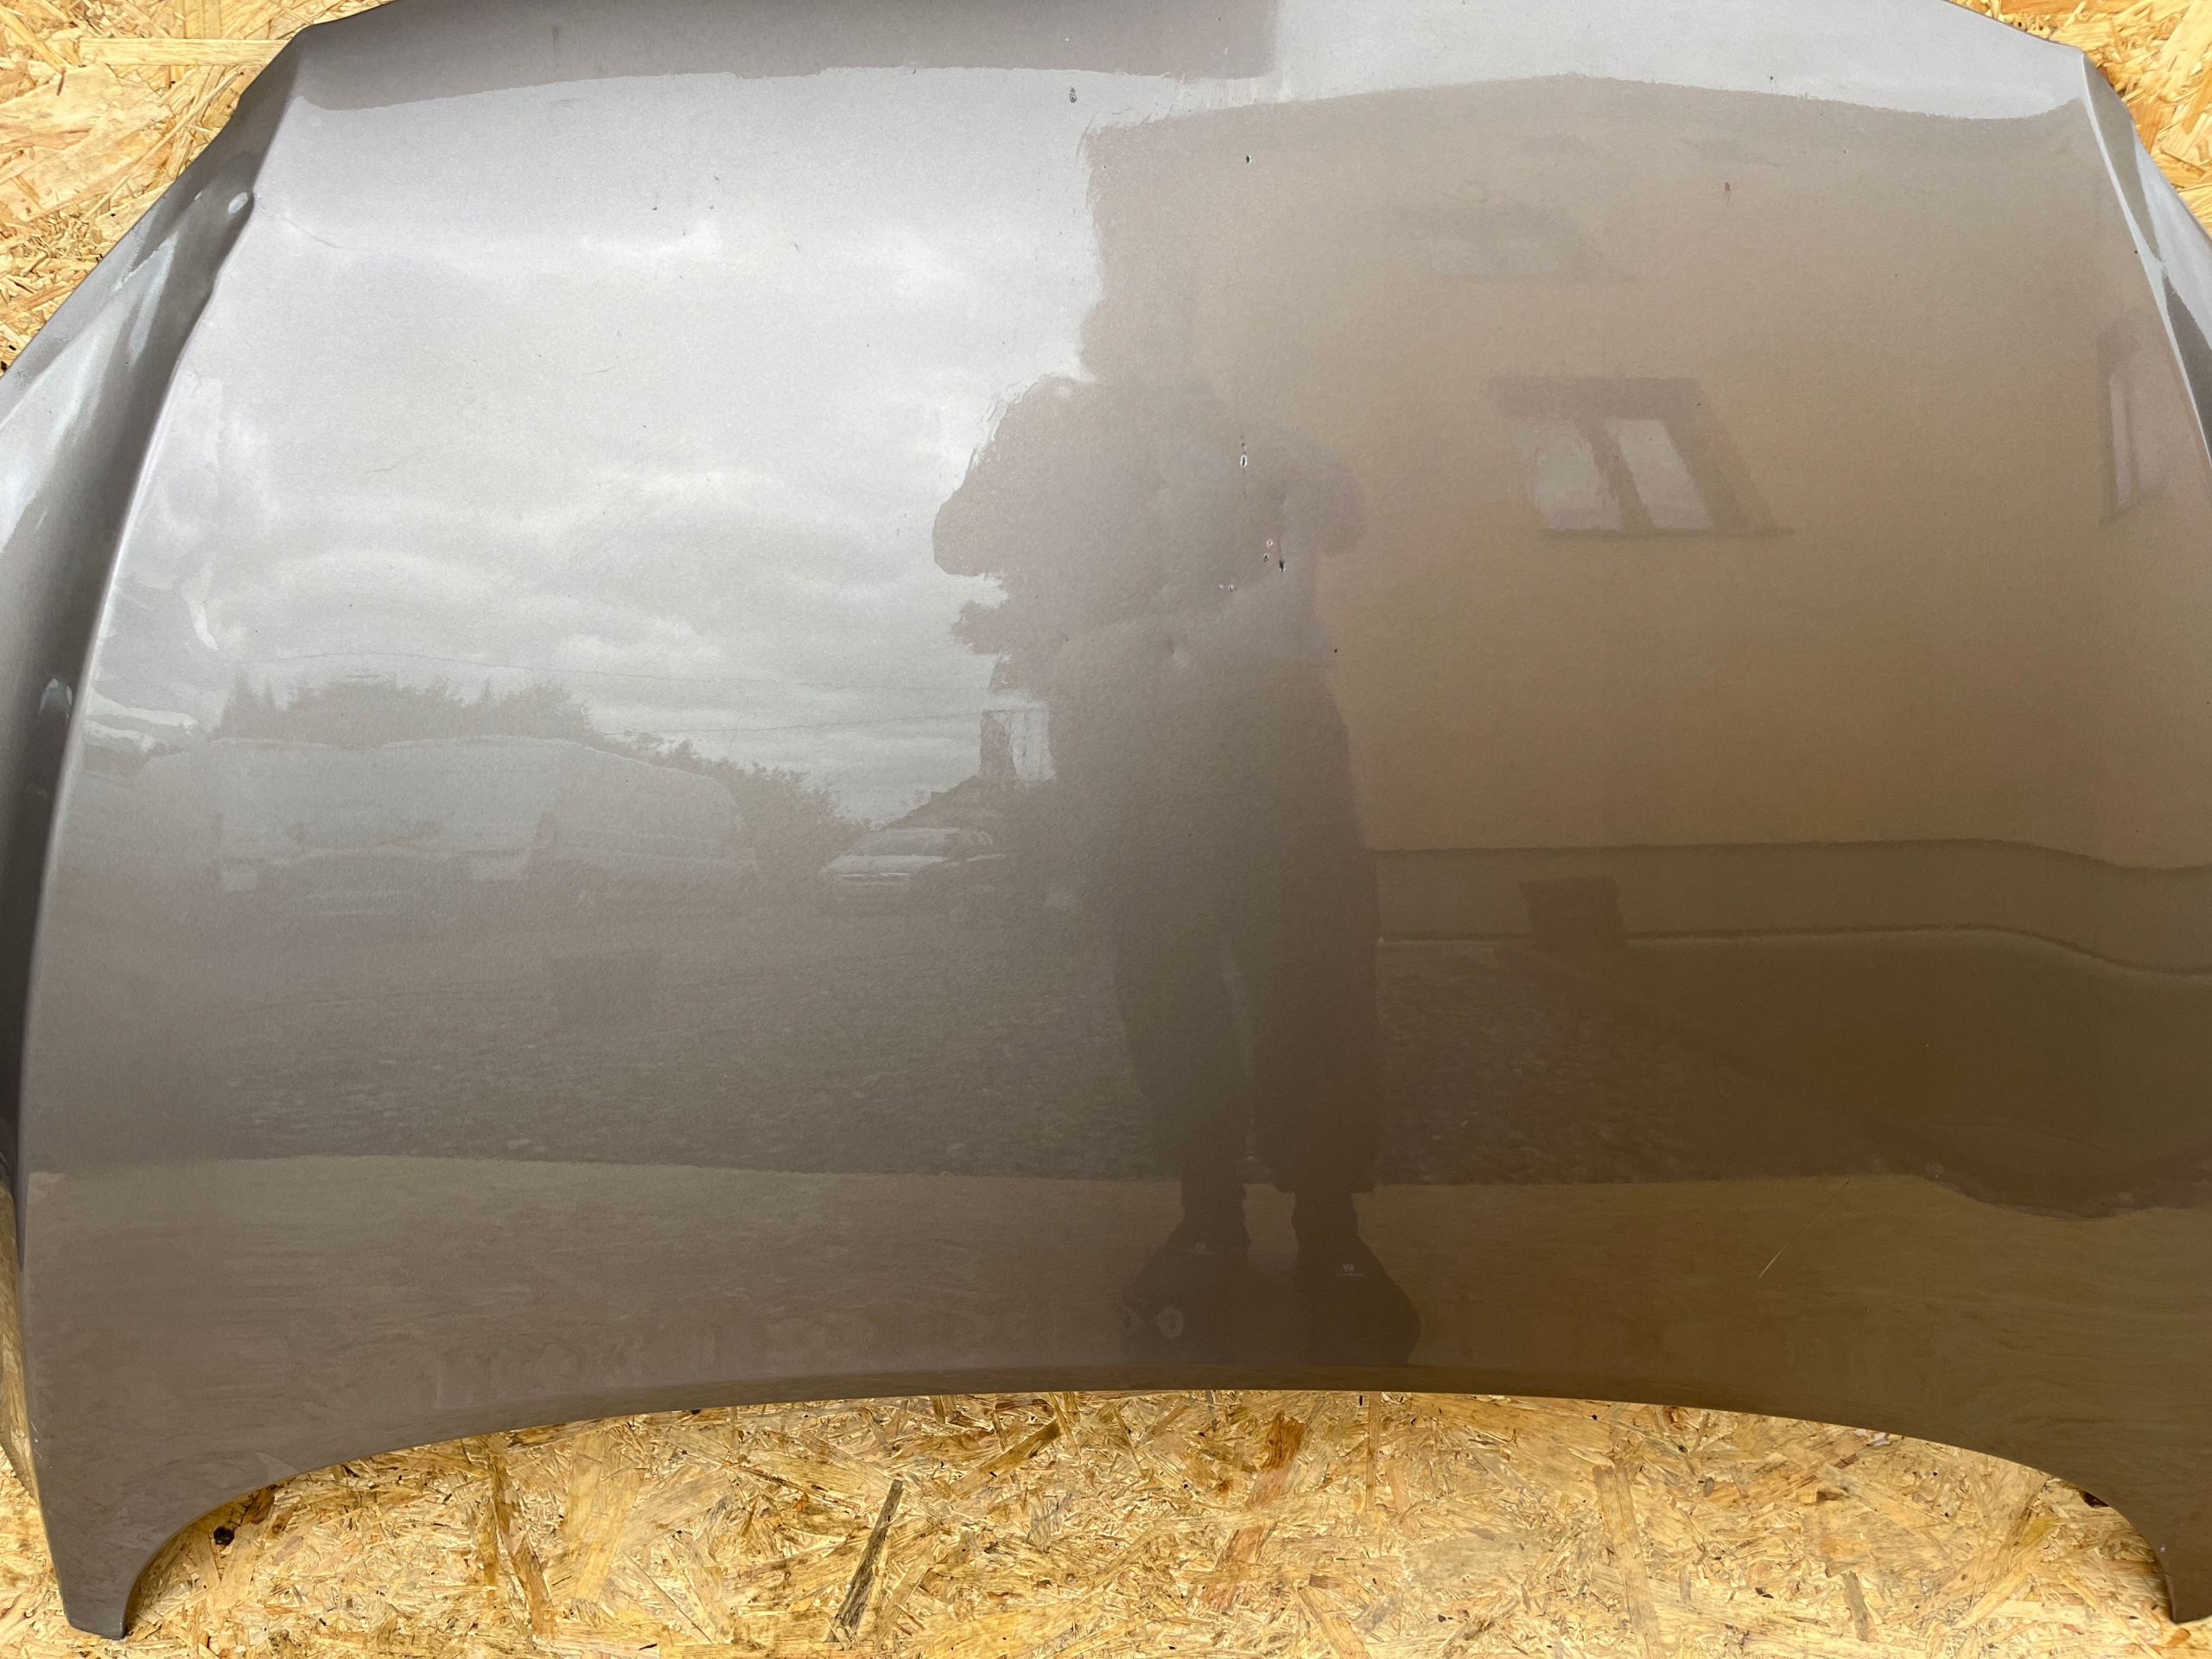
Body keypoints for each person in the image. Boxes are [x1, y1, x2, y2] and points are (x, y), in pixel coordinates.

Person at [933, 298, 1418, 1365]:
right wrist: (1018, 441)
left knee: (1316, 967)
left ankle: (1331, 1232)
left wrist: (1251, 441)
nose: (1156, 353)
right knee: (1163, 971)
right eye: (1132, 338)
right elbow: (957, 540)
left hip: (1270, 719)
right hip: (1123, 726)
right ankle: (1207, 1221)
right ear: (1099, 354)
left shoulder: (1245, 433)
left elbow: (1340, 515)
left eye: (1173, 335)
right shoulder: (1061, 437)